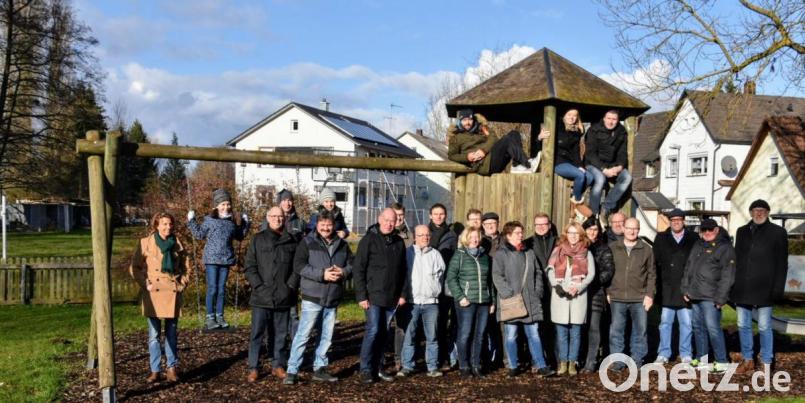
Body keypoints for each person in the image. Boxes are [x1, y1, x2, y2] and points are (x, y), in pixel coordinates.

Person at [284, 211, 353, 385]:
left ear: (334, 225)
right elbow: (299, 266)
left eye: (329, 224)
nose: (325, 227)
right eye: (322, 224)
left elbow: (353, 264)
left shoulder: (342, 244)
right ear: (317, 225)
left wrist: (343, 272)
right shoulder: (307, 242)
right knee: (303, 335)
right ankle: (292, 370)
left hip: (333, 297)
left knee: (326, 336)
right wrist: (322, 274)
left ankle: (320, 367)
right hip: (312, 296)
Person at [129, 212, 192, 383]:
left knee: (171, 334)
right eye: (164, 224)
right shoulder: (145, 243)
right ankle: (155, 370)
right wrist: (145, 284)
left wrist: (181, 284)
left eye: (170, 224)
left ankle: (171, 368)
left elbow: (187, 267)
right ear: (156, 225)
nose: (168, 227)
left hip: (172, 291)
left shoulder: (177, 244)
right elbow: (134, 267)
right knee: (154, 335)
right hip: (153, 292)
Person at [493, 221, 556, 378]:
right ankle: (513, 366)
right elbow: (497, 276)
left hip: (530, 300)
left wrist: (538, 291)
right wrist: (508, 293)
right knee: (511, 335)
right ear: (508, 236)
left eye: (521, 232)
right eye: (517, 233)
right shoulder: (501, 254)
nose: (521, 235)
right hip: (511, 302)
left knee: (534, 334)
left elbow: (538, 273)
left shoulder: (529, 252)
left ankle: (541, 365)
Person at [732, 199, 789, 373]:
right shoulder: (742, 231)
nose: (758, 213)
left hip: (766, 287)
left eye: (762, 210)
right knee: (743, 324)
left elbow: (782, 263)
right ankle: (748, 359)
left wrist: (778, 288)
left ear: (768, 212)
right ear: (750, 213)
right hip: (742, 287)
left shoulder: (778, 232)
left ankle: (766, 361)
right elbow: (738, 260)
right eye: (755, 210)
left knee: (764, 326)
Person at [244, 207, 298, 382]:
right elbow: (250, 266)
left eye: (280, 216)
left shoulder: (292, 241)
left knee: (282, 333)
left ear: (285, 218)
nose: (277, 219)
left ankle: (278, 365)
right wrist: (258, 286)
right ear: (267, 218)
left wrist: (289, 286)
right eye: (274, 216)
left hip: (283, 295)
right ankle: (254, 367)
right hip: (261, 296)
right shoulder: (257, 239)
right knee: (257, 333)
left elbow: (297, 268)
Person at [354, 208, 407, 384]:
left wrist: (403, 293)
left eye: (393, 220)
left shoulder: (399, 242)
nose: (389, 223)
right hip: (372, 295)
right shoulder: (369, 240)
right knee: (373, 330)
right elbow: (358, 269)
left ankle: (378, 367)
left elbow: (404, 271)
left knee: (383, 333)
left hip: (391, 296)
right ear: (379, 219)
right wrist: (361, 295)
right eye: (386, 220)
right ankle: (366, 369)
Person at [187, 188, 250, 330]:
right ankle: (210, 317)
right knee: (213, 289)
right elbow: (199, 234)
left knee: (221, 289)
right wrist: (191, 220)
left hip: (226, 259)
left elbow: (240, 236)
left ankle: (220, 316)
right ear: (216, 206)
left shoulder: (232, 222)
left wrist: (246, 223)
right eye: (222, 204)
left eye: (228, 204)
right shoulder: (209, 220)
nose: (226, 207)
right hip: (211, 259)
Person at [681, 218, 736, 374]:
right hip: (695, 294)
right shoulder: (698, 245)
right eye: (704, 230)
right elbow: (688, 268)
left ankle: (722, 361)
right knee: (698, 328)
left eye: (710, 230)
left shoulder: (725, 248)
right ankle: (702, 358)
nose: (707, 233)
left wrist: (721, 298)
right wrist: (685, 289)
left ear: (717, 230)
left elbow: (728, 275)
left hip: (711, 296)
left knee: (713, 329)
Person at [546, 222, 596, 376]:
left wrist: (579, 287)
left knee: (576, 333)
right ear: (565, 234)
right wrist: (557, 286)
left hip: (578, 298)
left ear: (580, 235)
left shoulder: (586, 253)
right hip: (560, 297)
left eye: (576, 233)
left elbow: (591, 274)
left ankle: (572, 363)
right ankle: (562, 362)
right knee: (561, 333)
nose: (573, 236)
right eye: (570, 233)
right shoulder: (557, 250)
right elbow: (550, 269)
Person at [397, 225, 446, 378]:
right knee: (409, 336)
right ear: (415, 236)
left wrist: (434, 291)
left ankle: (432, 367)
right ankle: (407, 366)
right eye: (421, 235)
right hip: (412, 302)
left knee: (432, 337)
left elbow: (441, 276)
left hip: (431, 303)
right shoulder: (407, 253)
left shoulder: (436, 254)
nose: (425, 237)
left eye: (427, 235)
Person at [446, 227, 495, 378]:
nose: (474, 239)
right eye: (472, 236)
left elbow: (489, 281)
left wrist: (491, 301)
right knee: (465, 334)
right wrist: (460, 297)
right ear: (466, 238)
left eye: (477, 236)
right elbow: (451, 278)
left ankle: (476, 365)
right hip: (466, 302)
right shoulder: (459, 255)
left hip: (483, 302)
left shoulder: (485, 256)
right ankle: (464, 366)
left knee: (480, 335)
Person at [607, 218, 655, 370]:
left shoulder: (646, 249)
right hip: (617, 296)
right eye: (629, 228)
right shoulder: (614, 247)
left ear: (639, 230)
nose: (632, 231)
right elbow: (607, 271)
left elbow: (652, 274)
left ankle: (637, 359)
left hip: (639, 297)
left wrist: (650, 295)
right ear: (623, 228)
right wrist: (608, 291)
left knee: (640, 331)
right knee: (616, 331)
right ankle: (618, 361)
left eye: (635, 228)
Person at [653, 209, 698, 365]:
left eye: (679, 219)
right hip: (667, 287)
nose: (676, 222)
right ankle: (664, 353)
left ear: (684, 221)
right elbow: (655, 263)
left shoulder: (693, 238)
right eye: (673, 220)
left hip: (686, 288)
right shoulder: (661, 238)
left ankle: (686, 353)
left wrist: (692, 287)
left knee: (686, 323)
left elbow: (697, 264)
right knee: (665, 323)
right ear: (669, 221)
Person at [447, 108, 543, 175]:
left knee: (514, 134)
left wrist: (483, 150)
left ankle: (517, 165)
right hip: (483, 165)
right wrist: (467, 157)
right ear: (460, 121)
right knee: (506, 140)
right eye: (465, 120)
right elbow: (452, 155)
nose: (468, 122)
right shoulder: (456, 137)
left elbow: (493, 138)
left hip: (492, 158)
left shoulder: (481, 129)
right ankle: (528, 164)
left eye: (470, 119)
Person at [579, 218, 615, 374]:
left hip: (596, 292)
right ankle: (578, 358)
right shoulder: (579, 247)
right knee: (579, 327)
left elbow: (608, 271)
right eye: (589, 230)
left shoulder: (604, 248)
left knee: (594, 327)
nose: (592, 233)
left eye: (595, 230)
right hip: (578, 293)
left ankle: (591, 361)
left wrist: (592, 281)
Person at [428, 203, 459, 369]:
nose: (438, 216)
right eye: (435, 213)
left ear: (445, 216)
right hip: (429, 284)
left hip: (446, 283)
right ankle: (433, 357)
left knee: (446, 322)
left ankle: (446, 356)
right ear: (430, 215)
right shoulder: (425, 232)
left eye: (441, 214)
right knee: (433, 322)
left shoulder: (451, 235)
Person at [585, 110, 632, 218]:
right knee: (600, 179)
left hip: (613, 165)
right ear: (604, 118)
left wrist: (620, 166)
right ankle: (594, 213)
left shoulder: (622, 131)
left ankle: (606, 207)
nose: (611, 122)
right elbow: (590, 153)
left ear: (618, 120)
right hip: (594, 164)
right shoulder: (594, 130)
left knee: (627, 178)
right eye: (609, 118)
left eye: (614, 119)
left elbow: (622, 152)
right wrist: (604, 169)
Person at [554, 109, 593, 217]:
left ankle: (574, 200)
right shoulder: (556, 127)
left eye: (575, 116)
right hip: (558, 162)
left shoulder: (576, 132)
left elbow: (575, 152)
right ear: (564, 116)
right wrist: (539, 138)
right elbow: (542, 144)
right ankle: (578, 203)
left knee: (589, 177)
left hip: (570, 163)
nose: (572, 117)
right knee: (580, 175)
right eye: (569, 115)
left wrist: (580, 166)